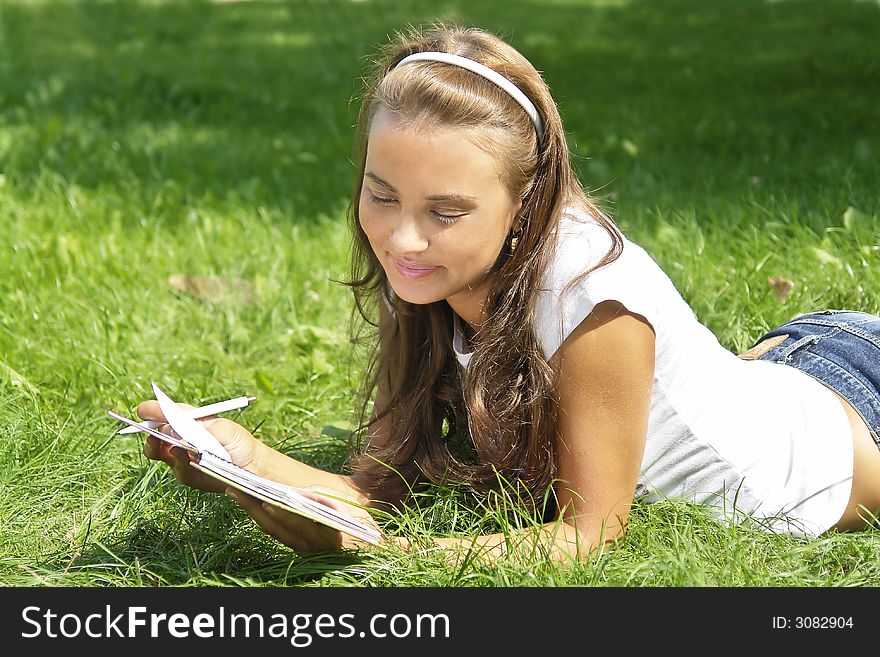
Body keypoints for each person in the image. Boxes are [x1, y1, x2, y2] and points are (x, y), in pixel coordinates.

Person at [137, 23, 880, 563]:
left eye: (445, 211)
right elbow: (378, 486)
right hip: (791, 362)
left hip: (853, 426)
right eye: (381, 195)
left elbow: (588, 537)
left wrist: (389, 555)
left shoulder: (592, 302)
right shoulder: (434, 268)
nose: (401, 239)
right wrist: (242, 459)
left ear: (526, 204)